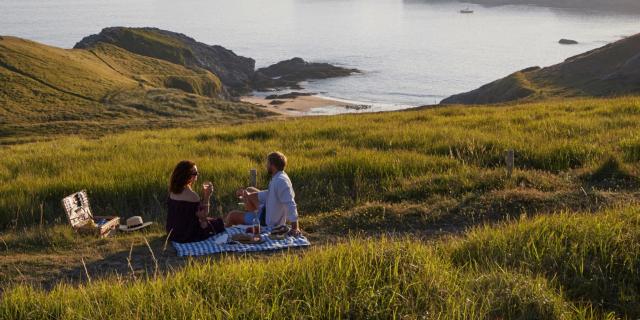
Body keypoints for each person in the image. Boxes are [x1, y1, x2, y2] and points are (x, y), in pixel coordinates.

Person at [225, 152, 301, 236]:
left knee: (232, 215)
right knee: (250, 189)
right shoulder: (279, 176)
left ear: (272, 165)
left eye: (267, 163)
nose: (266, 166)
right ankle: (252, 211)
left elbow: (290, 203)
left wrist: (295, 227)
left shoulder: (281, 181)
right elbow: (270, 193)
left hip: (267, 221)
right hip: (268, 210)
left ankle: (223, 234)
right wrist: (248, 195)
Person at [166, 160, 224, 243]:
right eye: (195, 173)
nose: (197, 175)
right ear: (187, 176)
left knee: (211, 221)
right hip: (188, 235)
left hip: (172, 233)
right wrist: (207, 196)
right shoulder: (193, 196)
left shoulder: (172, 192)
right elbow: (203, 215)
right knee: (219, 223)